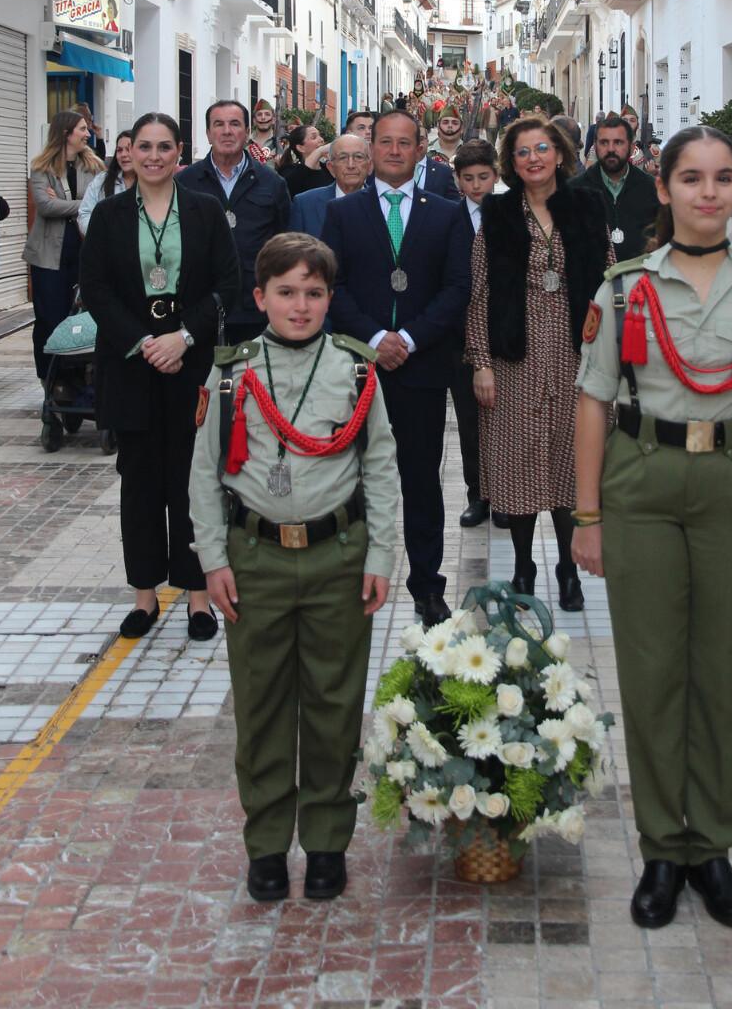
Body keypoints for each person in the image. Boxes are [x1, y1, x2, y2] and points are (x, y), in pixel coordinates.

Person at [573, 125, 732, 932]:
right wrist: (588, 516)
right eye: (691, 179)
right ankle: (661, 850)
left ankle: (712, 846)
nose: (708, 193)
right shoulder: (623, 288)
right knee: (649, 671)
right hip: (641, 481)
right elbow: (593, 404)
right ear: (664, 188)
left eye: (723, 179)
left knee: (721, 667)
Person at [189, 232, 399, 905]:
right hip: (256, 561)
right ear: (261, 297)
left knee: (335, 707)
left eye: (313, 293)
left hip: (338, 557)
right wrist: (214, 560)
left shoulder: (357, 371)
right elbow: (202, 476)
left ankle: (330, 842)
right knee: (262, 707)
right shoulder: (230, 372)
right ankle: (268, 845)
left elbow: (380, 467)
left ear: (330, 300)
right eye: (286, 293)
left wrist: (381, 554)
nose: (300, 306)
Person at [79, 113, 239, 641]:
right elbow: (96, 290)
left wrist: (184, 337)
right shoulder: (108, 215)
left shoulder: (205, 210)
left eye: (163, 147)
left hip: (189, 362)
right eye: (143, 146)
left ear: (179, 152)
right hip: (131, 363)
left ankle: (198, 597)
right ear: (128, 152)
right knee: (141, 482)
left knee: (193, 482)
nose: (152, 156)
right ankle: (144, 595)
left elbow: (226, 284)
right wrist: (145, 341)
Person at [322, 111, 472, 627]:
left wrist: (406, 338)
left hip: (421, 367)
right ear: (370, 147)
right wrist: (372, 339)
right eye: (382, 142)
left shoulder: (447, 213)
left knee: (421, 482)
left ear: (419, 148)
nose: (391, 151)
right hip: (357, 369)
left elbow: (457, 289)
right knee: (350, 477)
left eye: (403, 143)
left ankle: (428, 587)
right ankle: (351, 579)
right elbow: (332, 288)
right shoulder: (342, 214)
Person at [466, 117, 611, 611]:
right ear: (512, 162)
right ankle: (524, 566)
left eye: (542, 148)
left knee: (573, 463)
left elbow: (612, 282)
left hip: (577, 355)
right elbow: (480, 293)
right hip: (515, 356)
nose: (533, 158)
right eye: (523, 151)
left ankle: (568, 569)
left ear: (560, 153)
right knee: (519, 464)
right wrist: (481, 363)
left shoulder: (588, 206)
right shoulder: (499, 213)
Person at [178, 101, 291, 344]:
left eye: (235, 124)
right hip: (198, 309)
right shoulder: (184, 183)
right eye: (218, 124)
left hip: (255, 310)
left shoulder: (272, 184)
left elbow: (284, 246)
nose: (227, 131)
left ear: (247, 132)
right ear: (208, 133)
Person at [24, 110, 104, 382]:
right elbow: (45, 207)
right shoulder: (41, 167)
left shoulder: (94, 166)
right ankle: (49, 380)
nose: (88, 134)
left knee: (80, 321)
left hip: (83, 254)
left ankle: (76, 381)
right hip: (48, 257)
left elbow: (101, 205)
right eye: (82, 129)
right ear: (66, 133)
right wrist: (83, 204)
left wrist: (67, 204)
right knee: (49, 319)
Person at [450, 140, 501, 528]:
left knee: (503, 418)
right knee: (469, 419)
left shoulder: (509, 216)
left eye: (483, 177)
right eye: (468, 179)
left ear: (496, 176)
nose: (476, 185)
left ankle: (504, 494)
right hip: (457, 334)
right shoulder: (447, 218)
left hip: (502, 332)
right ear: (458, 180)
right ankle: (476, 494)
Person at [570, 113, 659, 259]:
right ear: (595, 147)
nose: (611, 149)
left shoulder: (652, 189)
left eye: (618, 142)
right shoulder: (575, 191)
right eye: (604, 142)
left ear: (631, 147)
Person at [289, 134, 370, 237]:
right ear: (331, 168)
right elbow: (293, 250)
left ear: (369, 165)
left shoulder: (383, 203)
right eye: (343, 158)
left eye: (358, 157)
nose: (351, 165)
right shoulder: (305, 204)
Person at [78, 131, 135, 234]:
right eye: (119, 150)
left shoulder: (150, 182)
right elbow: (84, 214)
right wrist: (101, 236)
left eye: (129, 149)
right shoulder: (102, 180)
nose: (123, 155)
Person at [276, 125, 328, 199]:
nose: (321, 140)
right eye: (314, 137)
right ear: (300, 148)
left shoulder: (327, 169)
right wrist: (319, 152)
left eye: (320, 136)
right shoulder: (288, 171)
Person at [247, 100, 278, 165]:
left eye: (267, 114)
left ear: (273, 120)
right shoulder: (245, 144)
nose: (263, 117)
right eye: (259, 114)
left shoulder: (282, 144)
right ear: (254, 121)